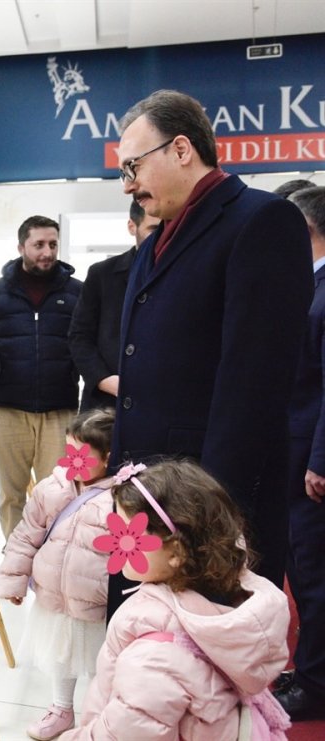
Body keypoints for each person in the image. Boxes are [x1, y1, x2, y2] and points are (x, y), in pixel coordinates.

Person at [109, 90, 312, 599]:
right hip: (148, 495)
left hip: (205, 508)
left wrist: (209, 517)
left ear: (181, 149)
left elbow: (254, 387)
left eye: (133, 165)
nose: (127, 184)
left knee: (200, 642)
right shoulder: (156, 243)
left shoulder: (262, 221)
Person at [61, 460, 291, 740]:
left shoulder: (155, 661)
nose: (114, 540)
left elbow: (121, 734)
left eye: (126, 533)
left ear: (176, 552)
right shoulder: (221, 597)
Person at [0, 408, 116, 741]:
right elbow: (26, 535)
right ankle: (62, 708)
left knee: (101, 661)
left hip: (95, 602)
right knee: (61, 655)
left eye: (83, 455)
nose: (73, 461)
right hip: (53, 597)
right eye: (69, 451)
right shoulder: (52, 488)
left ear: (109, 457)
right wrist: (14, 579)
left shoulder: (123, 498)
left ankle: (104, 715)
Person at [0, 215, 82, 539]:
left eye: (53, 244)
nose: (47, 252)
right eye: (38, 244)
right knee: (11, 496)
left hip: (60, 411)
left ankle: (52, 561)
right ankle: (16, 558)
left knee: (60, 494)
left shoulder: (77, 293)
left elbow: (86, 342)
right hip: (7, 410)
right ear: (21, 247)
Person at [277, 185, 325, 720]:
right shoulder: (308, 285)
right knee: (304, 572)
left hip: (312, 464)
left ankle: (315, 686)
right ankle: (310, 668)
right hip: (297, 457)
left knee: (314, 578)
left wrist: (319, 461)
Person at [68, 201, 160, 411]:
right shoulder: (102, 274)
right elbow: (79, 337)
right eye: (153, 229)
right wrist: (105, 380)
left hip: (160, 403)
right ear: (132, 226)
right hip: (104, 404)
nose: (162, 236)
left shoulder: (186, 273)